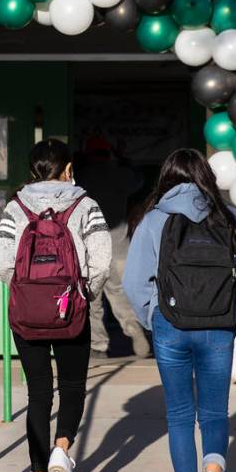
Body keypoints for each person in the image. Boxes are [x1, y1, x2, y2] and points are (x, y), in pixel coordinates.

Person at [123, 148, 236, 472]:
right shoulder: (229, 216)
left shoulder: (155, 219)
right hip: (218, 326)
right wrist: (234, 312)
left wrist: (154, 318)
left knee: (180, 416)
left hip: (171, 325)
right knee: (216, 412)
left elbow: (134, 283)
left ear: (167, 178)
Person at [0, 139, 112, 472]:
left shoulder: (15, 207)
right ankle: (62, 449)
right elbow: (102, 260)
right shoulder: (85, 205)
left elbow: (3, 262)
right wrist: (84, 294)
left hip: (27, 314)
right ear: (68, 168)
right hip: (70, 310)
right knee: (73, 386)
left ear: (32, 171)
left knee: (38, 394)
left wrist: (26, 293)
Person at [74, 135, 151, 358]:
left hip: (90, 247)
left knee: (92, 300)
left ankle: (98, 346)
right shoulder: (120, 175)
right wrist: (124, 160)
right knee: (120, 294)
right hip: (118, 246)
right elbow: (140, 180)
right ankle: (133, 328)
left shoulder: (81, 177)